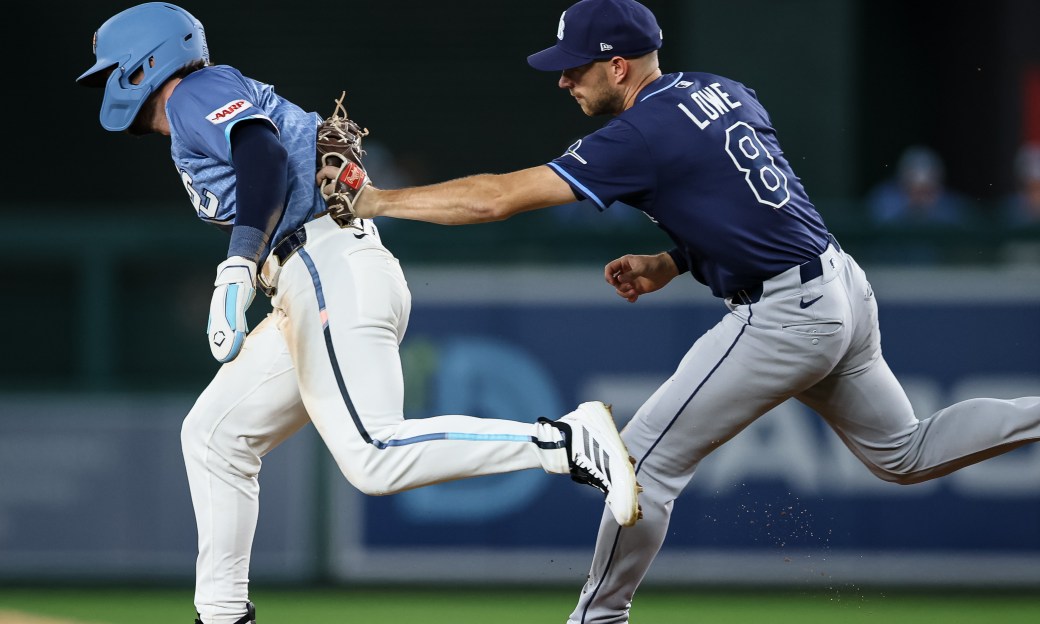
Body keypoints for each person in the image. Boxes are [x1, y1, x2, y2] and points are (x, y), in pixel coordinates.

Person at [319, 1, 1040, 622]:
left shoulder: (639, 132)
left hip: (787, 313)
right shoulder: (724, 92)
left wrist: (381, 199)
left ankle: (596, 620)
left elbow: (502, 198)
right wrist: (673, 259)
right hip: (837, 281)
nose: (565, 78)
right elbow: (758, 205)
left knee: (641, 462)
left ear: (620, 64)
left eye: (576, 65)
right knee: (904, 454)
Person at [76, 4, 640, 624]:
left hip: (325, 263)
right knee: (214, 436)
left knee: (374, 454)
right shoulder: (201, 104)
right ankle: (220, 614)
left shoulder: (194, 91)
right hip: (320, 271)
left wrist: (238, 262)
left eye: (111, 71)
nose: (107, 83)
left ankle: (562, 440)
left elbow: (260, 152)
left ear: (144, 64)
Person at [867, 145, 971, 226]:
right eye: (914, 191)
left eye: (927, 191)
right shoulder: (884, 201)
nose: (920, 198)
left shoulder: (951, 207)